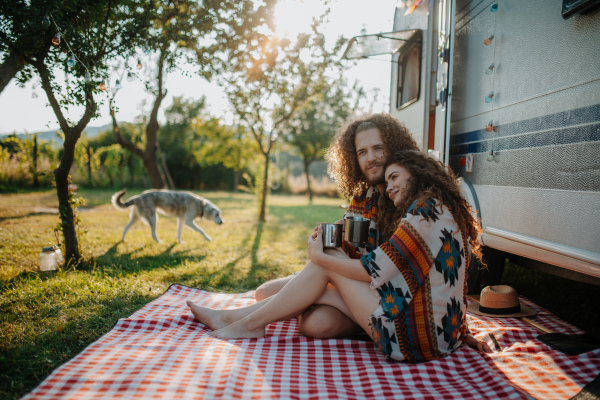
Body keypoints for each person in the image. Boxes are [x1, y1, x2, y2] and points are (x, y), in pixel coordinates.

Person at [188, 150, 491, 362]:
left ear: (418, 172)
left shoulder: (424, 211)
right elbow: (453, 287)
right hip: (437, 336)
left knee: (326, 267)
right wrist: (461, 331)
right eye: (387, 182)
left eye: (395, 177)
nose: (389, 188)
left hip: (410, 339)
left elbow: (375, 271)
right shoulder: (442, 210)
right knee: (292, 291)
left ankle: (248, 325)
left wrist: (321, 259)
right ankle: (240, 319)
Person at [254, 113, 420, 339]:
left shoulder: (409, 197)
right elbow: (347, 238)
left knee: (316, 325)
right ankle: (304, 299)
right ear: (353, 158)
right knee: (263, 293)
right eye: (362, 152)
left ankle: (296, 304)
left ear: (394, 147)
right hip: (348, 277)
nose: (370, 158)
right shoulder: (364, 196)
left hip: (382, 294)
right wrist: (325, 235)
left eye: (378, 148)